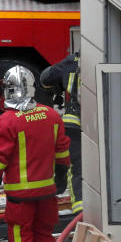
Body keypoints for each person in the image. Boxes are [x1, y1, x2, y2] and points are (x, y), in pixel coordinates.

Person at [0, 66, 70, 242]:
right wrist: (62, 175)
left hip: (21, 197)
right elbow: (62, 150)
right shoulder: (51, 115)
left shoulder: (8, 120)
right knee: (45, 237)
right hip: (47, 193)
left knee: (22, 241)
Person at [40, 52, 82, 215]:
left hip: (73, 122)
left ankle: (80, 210)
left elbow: (46, 78)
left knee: (76, 167)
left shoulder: (72, 61)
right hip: (101, 123)